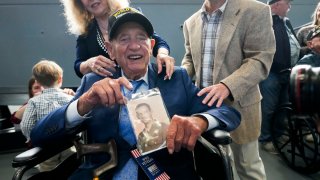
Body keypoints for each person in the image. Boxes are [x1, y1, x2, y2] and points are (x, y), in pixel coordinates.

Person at [30, 7, 241, 179]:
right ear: (111, 51)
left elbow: (228, 113)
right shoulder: (93, 83)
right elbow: (39, 134)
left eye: (141, 38)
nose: (134, 46)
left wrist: (200, 121)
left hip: (168, 172)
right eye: (123, 39)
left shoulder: (176, 78)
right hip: (105, 173)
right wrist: (84, 103)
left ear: (150, 46)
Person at [181, 0, 275, 179]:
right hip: (206, 110)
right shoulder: (191, 22)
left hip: (241, 105)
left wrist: (228, 86)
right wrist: (177, 75)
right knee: (217, 166)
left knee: (248, 167)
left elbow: (260, 59)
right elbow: (190, 59)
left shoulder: (255, 11)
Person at [60, 0, 175, 79]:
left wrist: (162, 54)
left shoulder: (131, 15)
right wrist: (88, 64)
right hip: (107, 93)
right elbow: (78, 65)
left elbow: (157, 41)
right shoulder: (86, 32)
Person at [259, 0, 300, 155]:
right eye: (287, 4)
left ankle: (278, 135)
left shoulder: (286, 22)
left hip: (287, 72)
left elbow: (292, 42)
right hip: (271, 73)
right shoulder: (264, 20)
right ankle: (266, 139)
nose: (289, 7)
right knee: (268, 108)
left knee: (283, 106)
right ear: (276, 5)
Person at [20, 60, 75, 172]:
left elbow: (26, 125)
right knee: (71, 169)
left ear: (38, 82)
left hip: (46, 147)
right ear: (60, 79)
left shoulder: (34, 101)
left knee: (48, 173)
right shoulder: (71, 99)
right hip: (69, 144)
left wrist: (32, 139)